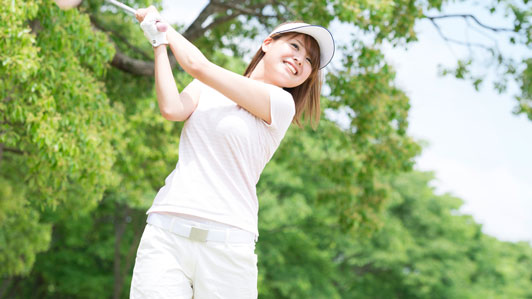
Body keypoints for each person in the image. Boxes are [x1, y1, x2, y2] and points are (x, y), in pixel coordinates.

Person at [130, 5, 335, 299]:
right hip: (166, 232)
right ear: (268, 43)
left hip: (228, 246)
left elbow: (198, 65)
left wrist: (164, 25)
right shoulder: (206, 86)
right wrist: (159, 43)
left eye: (309, 61)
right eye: (295, 46)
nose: (299, 60)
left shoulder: (280, 103)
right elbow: (172, 109)